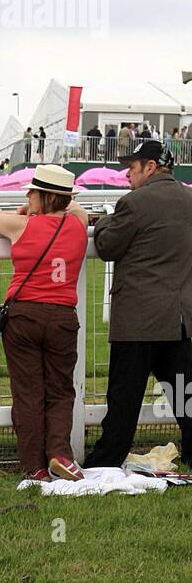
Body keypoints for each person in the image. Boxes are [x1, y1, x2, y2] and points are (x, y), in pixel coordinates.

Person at [82, 139, 192, 469]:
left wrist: (102, 221)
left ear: (151, 167)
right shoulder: (189, 199)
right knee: (185, 396)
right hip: (180, 318)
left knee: (124, 399)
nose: (127, 174)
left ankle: (106, 460)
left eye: (132, 167)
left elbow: (107, 246)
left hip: (139, 320)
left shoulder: (134, 202)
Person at [0, 164, 89, 480]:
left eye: (32, 192)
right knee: (60, 390)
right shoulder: (77, 225)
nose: (28, 196)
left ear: (42, 196)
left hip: (24, 316)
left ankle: (35, 467)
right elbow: (76, 208)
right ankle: (60, 453)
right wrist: (55, 200)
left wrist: (28, 212)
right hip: (62, 317)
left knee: (28, 392)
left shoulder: (21, 226)